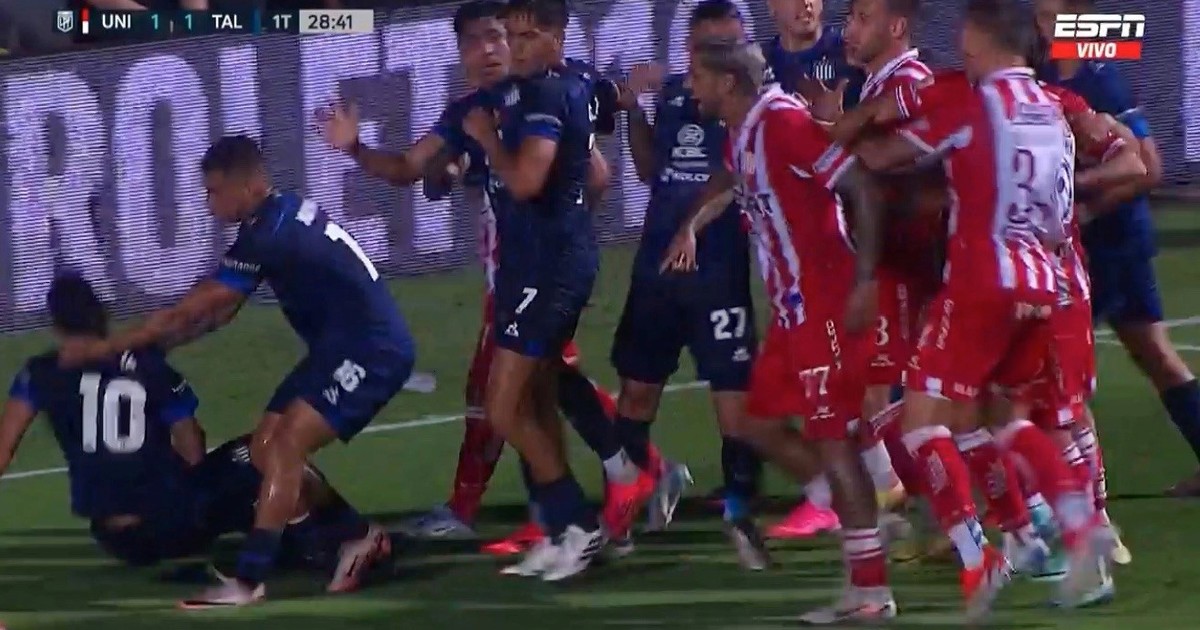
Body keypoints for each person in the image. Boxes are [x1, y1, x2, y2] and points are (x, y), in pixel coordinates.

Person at [829, 0, 1115, 615]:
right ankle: (1075, 528)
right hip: (1043, 282)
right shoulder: (1051, 109)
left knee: (921, 421)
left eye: (967, 44)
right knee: (1006, 418)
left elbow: (882, 158)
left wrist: (830, 133)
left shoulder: (972, 103)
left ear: (985, 43)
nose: (962, 54)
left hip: (981, 282)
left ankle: (974, 556)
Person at [58, 135, 410, 607]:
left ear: (247, 186)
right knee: (264, 449)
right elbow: (221, 313)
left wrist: (122, 345)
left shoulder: (268, 234)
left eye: (214, 191)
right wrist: (156, 349)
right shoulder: (278, 217)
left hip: (371, 350)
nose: (209, 203)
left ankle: (248, 580)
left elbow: (197, 307)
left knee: (285, 446)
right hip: (338, 349)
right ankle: (358, 536)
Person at [666, 35, 897, 623]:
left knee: (833, 437)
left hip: (825, 303)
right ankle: (861, 509)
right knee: (755, 421)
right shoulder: (743, 130)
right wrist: (692, 224)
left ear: (727, 83)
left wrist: (864, 281)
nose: (690, 86)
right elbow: (730, 177)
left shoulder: (783, 125)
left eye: (697, 76)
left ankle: (870, 589)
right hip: (793, 308)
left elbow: (861, 188)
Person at [1, 274, 378, 586]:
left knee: (238, 497)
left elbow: (4, 448)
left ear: (56, 325)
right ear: (101, 315)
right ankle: (341, 538)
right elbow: (190, 440)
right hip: (173, 522)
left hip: (116, 539)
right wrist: (191, 497)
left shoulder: (37, 374)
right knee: (265, 451)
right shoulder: (146, 364)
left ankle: (292, 543)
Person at [451, 0, 607, 581]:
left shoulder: (546, 97)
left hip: (547, 271)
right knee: (533, 399)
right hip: (534, 266)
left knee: (504, 405)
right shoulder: (537, 92)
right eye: (509, 36)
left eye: (526, 37)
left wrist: (488, 140)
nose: (513, 48)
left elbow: (524, 180)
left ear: (556, 38)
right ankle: (561, 529)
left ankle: (579, 524)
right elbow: (598, 176)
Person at [611, 0, 765, 567]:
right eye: (707, 47)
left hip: (719, 269)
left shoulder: (756, 108)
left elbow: (734, 175)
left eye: (728, 45)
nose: (718, 57)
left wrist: (694, 228)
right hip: (658, 265)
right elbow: (650, 169)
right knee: (636, 391)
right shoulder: (677, 95)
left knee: (734, 401)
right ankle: (623, 516)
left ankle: (742, 518)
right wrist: (633, 112)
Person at [1033, 0, 1200, 498]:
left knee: (1053, 363)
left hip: (1112, 246)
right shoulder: (1049, 72)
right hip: (1110, 243)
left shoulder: (1098, 80)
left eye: (1047, 16)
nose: (1039, 24)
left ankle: (1074, 490)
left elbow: (1149, 169)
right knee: (1153, 354)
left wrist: (1082, 203)